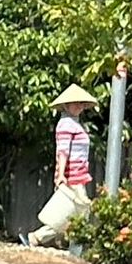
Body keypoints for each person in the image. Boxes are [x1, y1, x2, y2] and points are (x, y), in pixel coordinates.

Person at [31, 83, 98, 245]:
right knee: (77, 211)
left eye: (81, 103)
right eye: (75, 103)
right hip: (71, 176)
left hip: (78, 174)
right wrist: (61, 174)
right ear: (66, 105)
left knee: (76, 212)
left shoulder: (74, 124)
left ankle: (57, 240)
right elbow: (63, 151)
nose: (79, 106)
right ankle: (38, 237)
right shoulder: (66, 125)